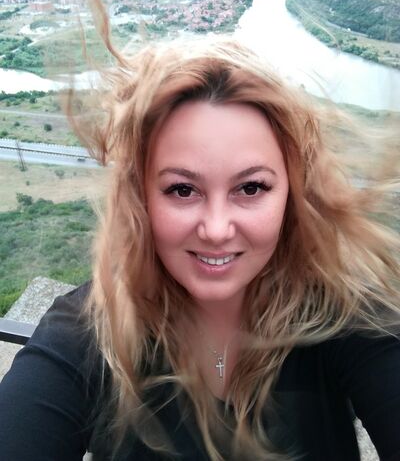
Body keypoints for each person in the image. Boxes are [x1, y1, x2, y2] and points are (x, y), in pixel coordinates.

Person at [0, 36, 400, 461]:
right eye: (183, 189)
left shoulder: (347, 317)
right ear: (141, 197)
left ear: (293, 192)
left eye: (251, 187)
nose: (215, 229)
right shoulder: (87, 333)